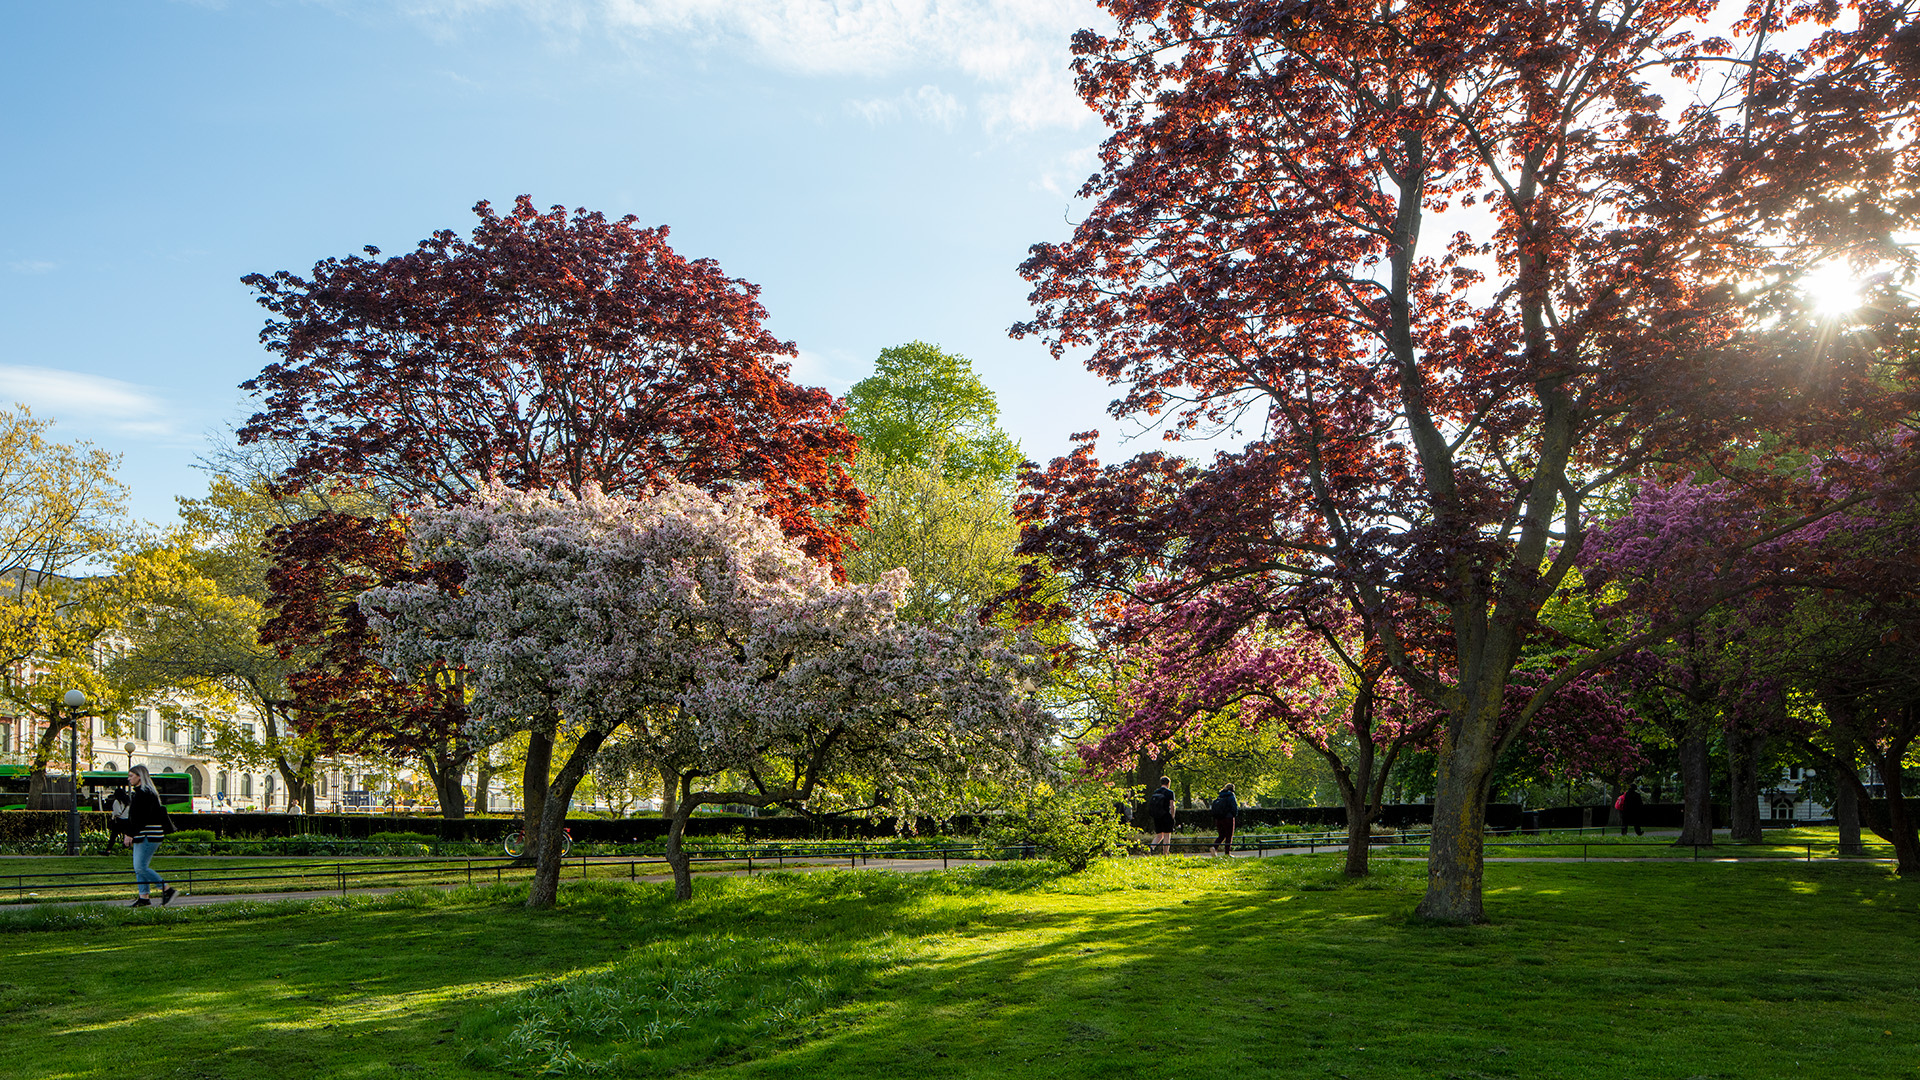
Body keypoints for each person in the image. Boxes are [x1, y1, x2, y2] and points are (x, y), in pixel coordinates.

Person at [121, 765, 177, 906]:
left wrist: (129, 834)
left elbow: (141, 818)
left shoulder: (144, 794)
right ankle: (144, 897)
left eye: (131, 776)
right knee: (139, 866)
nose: (129, 779)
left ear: (140, 776)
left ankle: (167, 889)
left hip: (149, 835)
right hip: (146, 835)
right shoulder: (144, 792)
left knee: (140, 867)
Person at [1148, 776, 1177, 855]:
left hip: (1157, 816)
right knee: (1167, 835)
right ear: (1168, 783)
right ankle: (1165, 853)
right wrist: (1173, 816)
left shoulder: (1156, 792)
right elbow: (1172, 806)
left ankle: (1151, 848)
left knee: (1159, 835)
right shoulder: (1170, 793)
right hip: (1166, 815)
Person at [1210, 783, 1239, 855]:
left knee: (1221, 835)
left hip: (1219, 818)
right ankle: (1227, 853)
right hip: (1228, 818)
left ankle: (1214, 847)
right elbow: (1234, 807)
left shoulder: (1220, 796)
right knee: (1229, 836)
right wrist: (1234, 815)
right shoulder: (1231, 796)